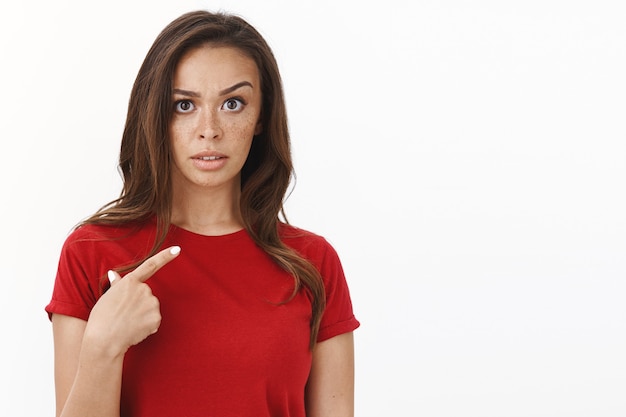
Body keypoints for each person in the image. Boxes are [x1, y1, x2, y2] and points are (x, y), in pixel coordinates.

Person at [45, 10, 359, 417]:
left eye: (232, 103)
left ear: (261, 116)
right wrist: (104, 347)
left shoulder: (313, 263)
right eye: (183, 105)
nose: (208, 128)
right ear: (156, 114)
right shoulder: (91, 253)